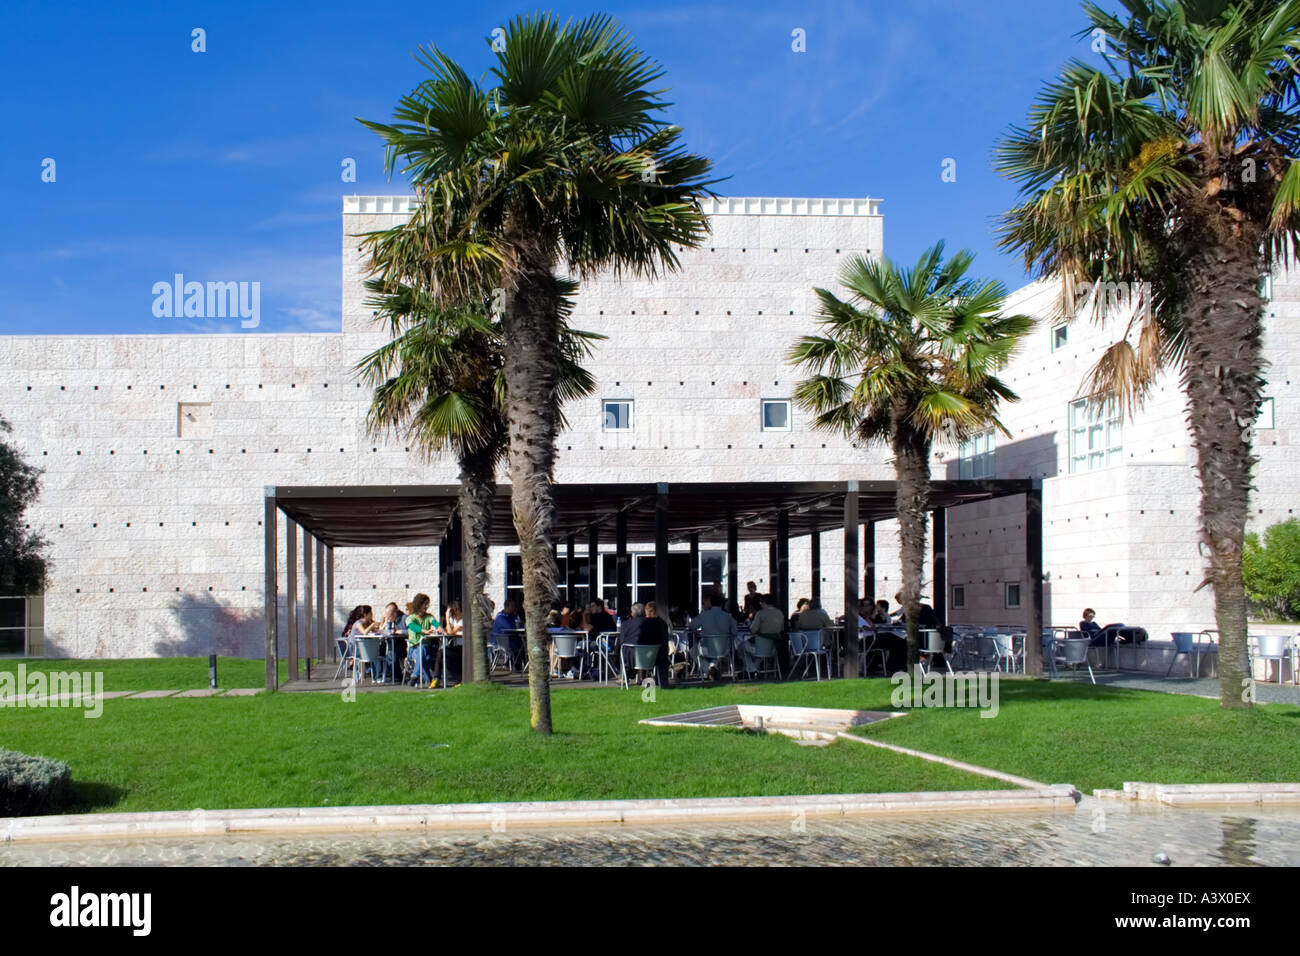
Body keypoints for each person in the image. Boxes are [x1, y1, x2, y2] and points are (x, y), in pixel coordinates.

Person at [691, 592, 738, 680]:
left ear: (711, 603)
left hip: (707, 648)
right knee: (717, 652)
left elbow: (692, 626)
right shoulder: (728, 616)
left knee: (693, 651)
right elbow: (735, 631)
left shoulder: (704, 615)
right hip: (724, 649)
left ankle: (708, 669)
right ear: (721, 604)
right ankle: (712, 667)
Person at [745, 593, 786, 677]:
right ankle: (753, 669)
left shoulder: (760, 613)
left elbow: (752, 630)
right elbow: (782, 628)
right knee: (760, 649)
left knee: (741, 647)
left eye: (760, 602)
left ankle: (752, 669)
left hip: (760, 645)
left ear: (763, 602)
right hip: (774, 646)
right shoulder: (780, 613)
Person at [405, 593, 441, 685]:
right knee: (425, 656)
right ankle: (428, 679)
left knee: (423, 651)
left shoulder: (428, 616)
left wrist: (440, 628)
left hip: (425, 647)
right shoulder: (410, 618)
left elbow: (435, 623)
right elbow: (413, 627)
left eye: (427, 604)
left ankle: (415, 676)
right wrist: (424, 631)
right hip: (413, 648)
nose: (427, 606)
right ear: (419, 604)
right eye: (425, 604)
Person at [640, 601, 673, 687]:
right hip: (659, 655)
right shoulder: (662, 623)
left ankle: (642, 679)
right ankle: (663, 681)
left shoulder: (643, 623)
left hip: (645, 655)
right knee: (663, 656)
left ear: (646, 612)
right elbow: (664, 641)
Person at [492, 598, 523, 667]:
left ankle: (517, 663)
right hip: (500, 643)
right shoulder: (500, 617)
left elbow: (520, 623)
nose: (514, 608)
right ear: (508, 606)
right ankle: (514, 663)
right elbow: (510, 627)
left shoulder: (512, 616)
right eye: (513, 607)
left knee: (521, 642)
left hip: (509, 640)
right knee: (520, 644)